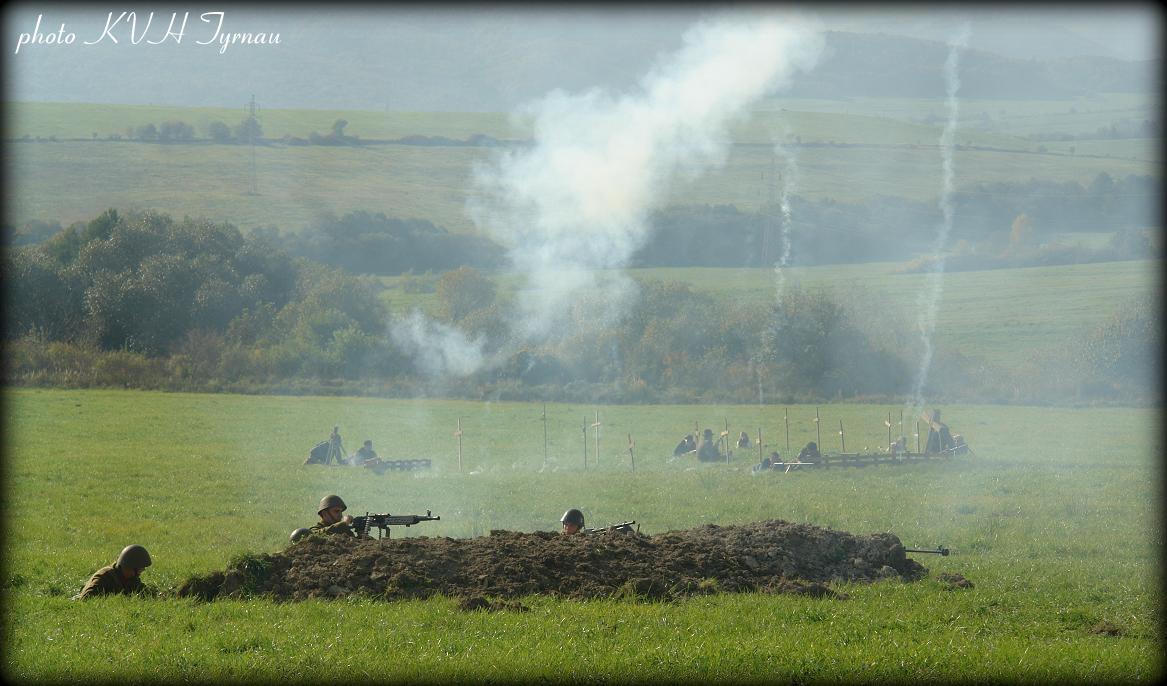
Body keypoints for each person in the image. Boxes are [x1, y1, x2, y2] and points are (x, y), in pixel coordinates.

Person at [74, 545, 152, 600]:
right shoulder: (104, 577)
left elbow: (145, 593)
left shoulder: (131, 579)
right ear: (129, 568)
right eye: (139, 570)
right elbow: (86, 598)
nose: (141, 572)